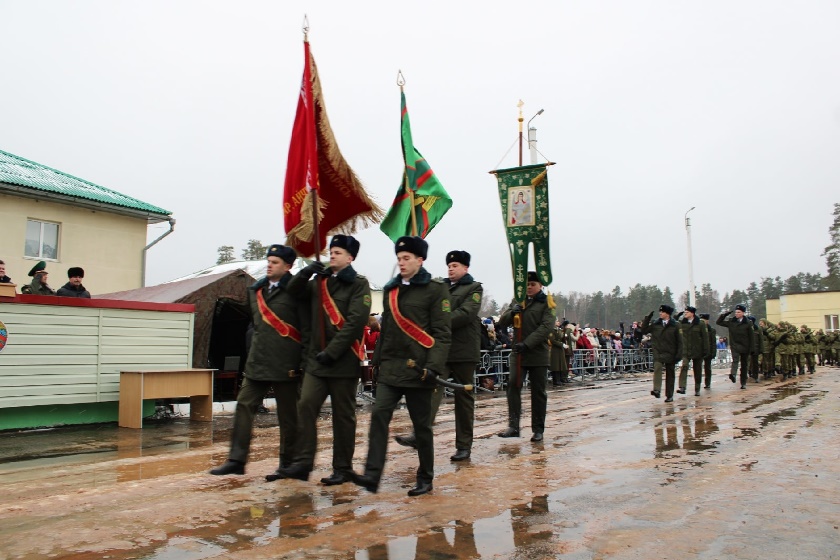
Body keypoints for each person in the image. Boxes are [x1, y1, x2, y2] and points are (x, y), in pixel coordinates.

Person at [350, 236, 451, 496]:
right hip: (391, 369)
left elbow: (442, 333)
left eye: (407, 258)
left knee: (422, 427)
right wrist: (376, 363)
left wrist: (434, 367)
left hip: (419, 370)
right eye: (399, 258)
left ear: (420, 260)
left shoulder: (435, 289)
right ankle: (372, 475)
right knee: (379, 416)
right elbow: (387, 332)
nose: (402, 262)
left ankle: (425, 477)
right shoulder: (391, 290)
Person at [277, 235, 371, 485]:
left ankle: (343, 467)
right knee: (306, 406)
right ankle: (303, 463)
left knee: (343, 417)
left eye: (338, 252)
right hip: (316, 362)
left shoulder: (359, 284)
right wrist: (306, 272)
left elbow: (355, 322)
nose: (332, 255)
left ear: (350, 258)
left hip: (343, 361)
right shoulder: (319, 281)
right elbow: (292, 291)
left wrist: (332, 351)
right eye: (331, 251)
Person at [209, 244, 309, 477]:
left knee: (288, 417)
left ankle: (287, 463)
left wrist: (304, 363)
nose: (269, 265)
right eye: (269, 261)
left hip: (287, 363)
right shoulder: (257, 291)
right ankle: (236, 459)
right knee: (244, 406)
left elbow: (307, 328)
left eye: (275, 262)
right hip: (258, 362)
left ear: (288, 266)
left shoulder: (298, 291)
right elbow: (256, 326)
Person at [394, 249, 482, 462]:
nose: (451, 269)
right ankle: (419, 434)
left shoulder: (474, 288)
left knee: (463, 398)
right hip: (441, 349)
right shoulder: (441, 287)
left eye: (455, 266)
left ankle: (463, 446)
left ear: (465, 268)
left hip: (463, 351)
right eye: (449, 266)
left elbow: (466, 313)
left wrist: (438, 321)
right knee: (430, 391)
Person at [497, 271, 555, 441]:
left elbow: (546, 328)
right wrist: (512, 312)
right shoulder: (518, 300)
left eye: (532, 284)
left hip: (537, 353)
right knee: (513, 386)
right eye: (526, 284)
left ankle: (538, 429)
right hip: (518, 354)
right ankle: (513, 426)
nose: (529, 287)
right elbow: (502, 322)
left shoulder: (547, 303)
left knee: (538, 392)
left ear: (540, 285)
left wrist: (527, 343)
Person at [641, 305, 683, 402]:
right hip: (658, 351)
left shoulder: (675, 325)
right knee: (657, 368)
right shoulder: (656, 324)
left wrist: (679, 354)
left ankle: (669, 395)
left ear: (668, 314)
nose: (660, 313)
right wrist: (647, 318)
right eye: (660, 312)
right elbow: (644, 330)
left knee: (670, 374)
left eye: (662, 312)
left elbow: (680, 341)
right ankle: (657, 390)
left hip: (670, 352)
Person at [716, 304, 755, 389]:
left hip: (745, 346)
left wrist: (752, 349)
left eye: (739, 312)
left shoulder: (748, 323)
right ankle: (733, 374)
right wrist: (724, 315)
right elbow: (718, 322)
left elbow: (751, 337)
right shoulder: (732, 321)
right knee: (735, 360)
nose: (736, 314)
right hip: (735, 345)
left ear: (743, 313)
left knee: (744, 365)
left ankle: (743, 382)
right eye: (736, 312)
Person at [676, 306, 708, 396]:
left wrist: (706, 350)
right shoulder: (682, 323)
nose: (685, 314)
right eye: (685, 312)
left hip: (697, 350)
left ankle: (697, 388)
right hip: (686, 350)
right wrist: (677, 315)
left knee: (697, 370)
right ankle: (682, 387)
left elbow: (705, 338)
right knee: (684, 366)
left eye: (687, 312)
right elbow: (674, 323)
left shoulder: (700, 324)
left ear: (692, 313)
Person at [699, 313, 717, 389]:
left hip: (708, 352)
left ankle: (707, 383)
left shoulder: (711, 330)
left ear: (707, 321)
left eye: (703, 320)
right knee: (698, 368)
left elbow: (713, 342)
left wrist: (713, 353)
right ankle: (698, 383)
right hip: (699, 351)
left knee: (707, 368)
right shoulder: (698, 329)